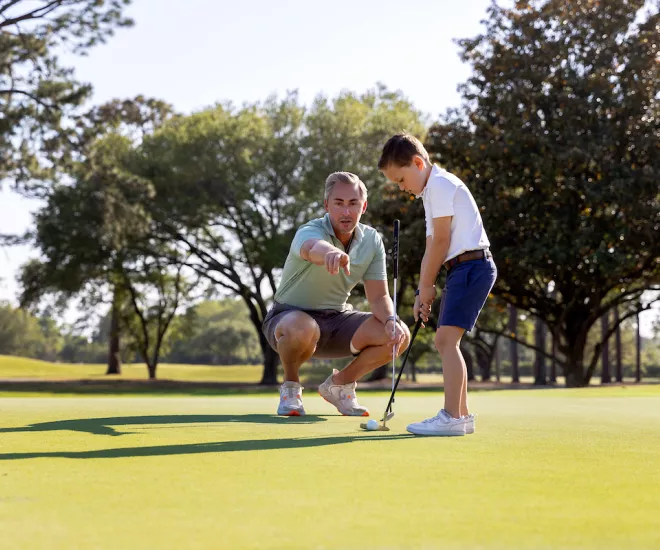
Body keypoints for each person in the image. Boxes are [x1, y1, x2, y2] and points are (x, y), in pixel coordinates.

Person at [262, 171, 410, 417]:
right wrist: (329, 252)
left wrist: (391, 320)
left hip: (337, 321)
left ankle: (339, 385)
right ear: (326, 205)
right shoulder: (309, 230)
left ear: (363, 206)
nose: (346, 212)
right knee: (301, 326)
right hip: (288, 320)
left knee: (399, 334)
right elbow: (311, 248)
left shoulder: (372, 240)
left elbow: (378, 297)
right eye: (338, 203)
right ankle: (290, 388)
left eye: (353, 204)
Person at [378, 133, 497, 436]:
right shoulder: (431, 193)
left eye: (401, 179)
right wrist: (422, 290)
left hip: (471, 266)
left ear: (418, 163)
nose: (402, 188)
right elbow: (432, 244)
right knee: (447, 341)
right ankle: (462, 416)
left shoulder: (442, 185)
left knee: (445, 342)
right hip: (462, 268)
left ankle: (451, 416)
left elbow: (442, 241)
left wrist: (428, 286)